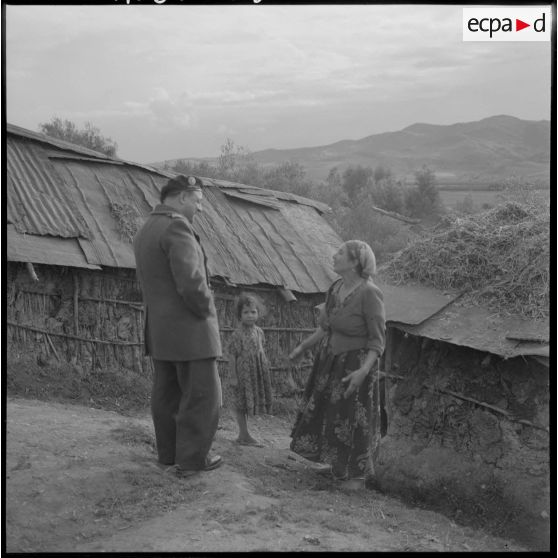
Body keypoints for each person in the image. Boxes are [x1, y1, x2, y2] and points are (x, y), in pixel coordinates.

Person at [133, 174, 223, 477]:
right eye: (197, 201)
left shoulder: (147, 228)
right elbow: (191, 283)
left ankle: (169, 455)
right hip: (191, 331)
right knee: (202, 396)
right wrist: (208, 309)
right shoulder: (177, 226)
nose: (199, 208)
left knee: (167, 396)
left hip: (161, 332)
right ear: (183, 196)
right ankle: (193, 460)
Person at [288, 240, 386, 489]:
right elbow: (325, 327)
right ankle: (336, 466)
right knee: (331, 415)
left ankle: (355, 478)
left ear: (355, 262)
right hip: (331, 361)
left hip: (356, 365)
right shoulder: (335, 289)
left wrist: (363, 372)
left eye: (341, 253)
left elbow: (377, 341)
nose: (334, 256)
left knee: (353, 418)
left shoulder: (369, 294)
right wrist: (303, 347)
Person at [227, 293, 273, 447]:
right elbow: (232, 356)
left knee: (248, 401)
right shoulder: (237, 334)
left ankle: (244, 434)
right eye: (245, 312)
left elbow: (261, 350)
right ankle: (243, 434)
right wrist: (233, 376)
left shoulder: (259, 331)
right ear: (239, 315)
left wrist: (264, 367)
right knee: (240, 402)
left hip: (256, 372)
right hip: (243, 373)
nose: (250, 315)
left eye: (253, 312)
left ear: (258, 313)